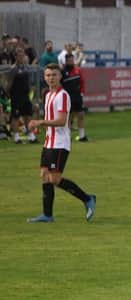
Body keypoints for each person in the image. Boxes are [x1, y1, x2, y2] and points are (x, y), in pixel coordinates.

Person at [27, 63, 96, 223]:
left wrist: (40, 123)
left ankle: (87, 198)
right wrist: (40, 127)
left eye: (54, 75)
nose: (51, 78)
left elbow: (62, 121)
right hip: (49, 143)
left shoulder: (62, 95)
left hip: (59, 144)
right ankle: (47, 215)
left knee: (55, 179)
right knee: (44, 176)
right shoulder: (47, 94)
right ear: (44, 77)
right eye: (48, 75)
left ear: (60, 77)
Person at [8, 48, 36, 144]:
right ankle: (16, 137)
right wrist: (10, 95)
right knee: (15, 116)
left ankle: (31, 136)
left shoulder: (25, 68)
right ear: (15, 57)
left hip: (26, 96)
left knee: (28, 115)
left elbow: (29, 83)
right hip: (16, 96)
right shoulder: (13, 69)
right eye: (19, 55)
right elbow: (9, 84)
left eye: (22, 55)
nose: (21, 57)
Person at [62, 53, 88, 141]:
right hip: (68, 97)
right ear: (66, 61)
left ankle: (82, 136)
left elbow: (82, 81)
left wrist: (82, 92)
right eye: (69, 60)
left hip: (77, 96)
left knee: (81, 114)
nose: (71, 62)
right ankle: (67, 137)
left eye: (72, 60)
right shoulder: (62, 71)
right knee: (69, 117)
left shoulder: (77, 70)